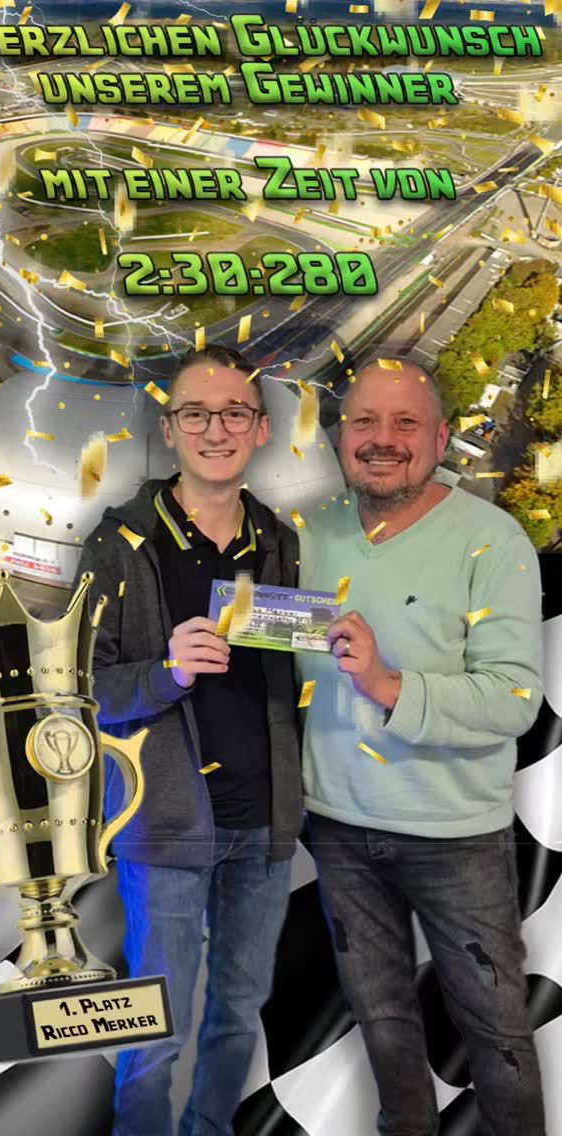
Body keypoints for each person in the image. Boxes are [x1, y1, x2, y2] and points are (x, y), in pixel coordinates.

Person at [298, 357, 546, 1136]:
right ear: (341, 436)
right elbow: (283, 648)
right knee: (381, 1023)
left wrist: (388, 684)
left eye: (405, 423)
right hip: (338, 827)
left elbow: (515, 698)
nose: (383, 439)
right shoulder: (310, 530)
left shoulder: (493, 540)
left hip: (455, 837)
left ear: (440, 439)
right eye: (365, 421)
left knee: (496, 1034)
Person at [73, 345, 302, 1136]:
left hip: (264, 826)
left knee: (238, 1013)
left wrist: (340, 652)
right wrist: (166, 673)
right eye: (195, 413)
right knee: (156, 1029)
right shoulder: (118, 543)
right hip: (166, 823)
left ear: (260, 429)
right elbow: (80, 689)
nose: (215, 429)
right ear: (169, 430)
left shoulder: (279, 539)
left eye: (233, 412)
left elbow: (287, 673)